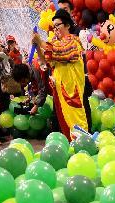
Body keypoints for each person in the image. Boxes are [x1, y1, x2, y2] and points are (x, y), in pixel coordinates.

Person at [33, 10, 88, 138]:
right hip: (59, 88)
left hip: (71, 89)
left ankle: (83, 145)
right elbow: (46, 62)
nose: (55, 29)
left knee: (76, 119)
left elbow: (62, 52)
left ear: (68, 25)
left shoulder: (74, 41)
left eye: (58, 25)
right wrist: (37, 47)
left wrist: (40, 42)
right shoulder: (55, 43)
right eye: (54, 26)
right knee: (64, 121)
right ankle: (72, 146)